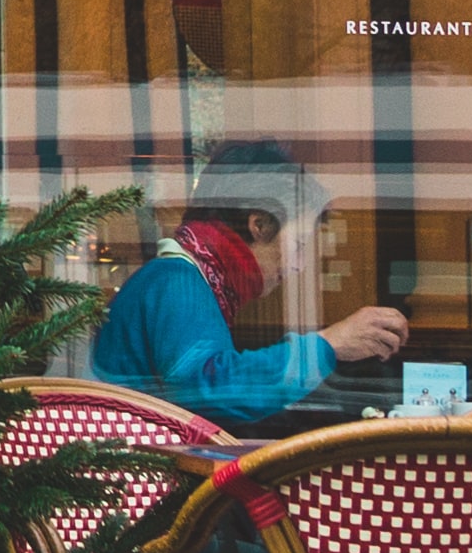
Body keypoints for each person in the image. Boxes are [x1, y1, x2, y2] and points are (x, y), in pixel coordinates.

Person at [85, 143, 408, 425]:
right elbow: (208, 391)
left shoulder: (181, 277)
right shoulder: (178, 283)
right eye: (298, 244)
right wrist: (327, 345)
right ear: (259, 225)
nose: (298, 265)